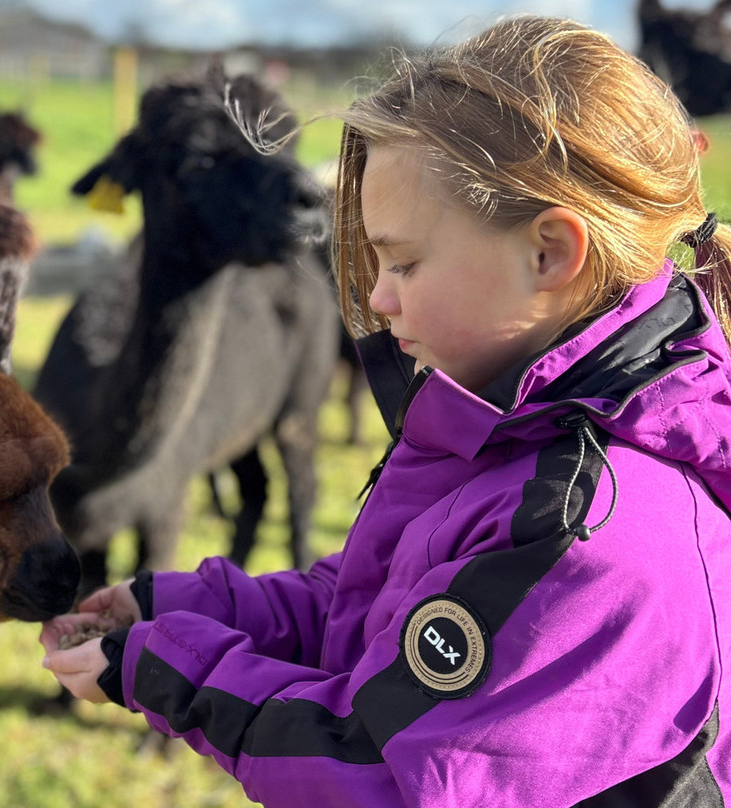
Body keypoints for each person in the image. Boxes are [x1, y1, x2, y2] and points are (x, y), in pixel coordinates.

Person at [39, 15, 731, 806]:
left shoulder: (589, 532)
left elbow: (385, 772)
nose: (376, 297)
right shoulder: (512, 433)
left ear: (549, 253)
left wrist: (168, 673)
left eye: (403, 262)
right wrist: (172, 608)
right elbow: (374, 611)